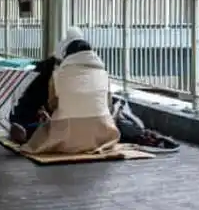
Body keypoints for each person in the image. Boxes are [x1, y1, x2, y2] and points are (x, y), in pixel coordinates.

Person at [22, 27, 121, 155]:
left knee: (41, 132)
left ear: (68, 55)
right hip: (102, 133)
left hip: (67, 133)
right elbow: (108, 105)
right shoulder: (104, 74)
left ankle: (25, 132)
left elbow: (52, 105)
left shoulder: (58, 75)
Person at [9, 55, 58, 145]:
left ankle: (24, 130)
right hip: (36, 113)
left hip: (25, 112)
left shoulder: (40, 72)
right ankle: (26, 131)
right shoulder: (58, 76)